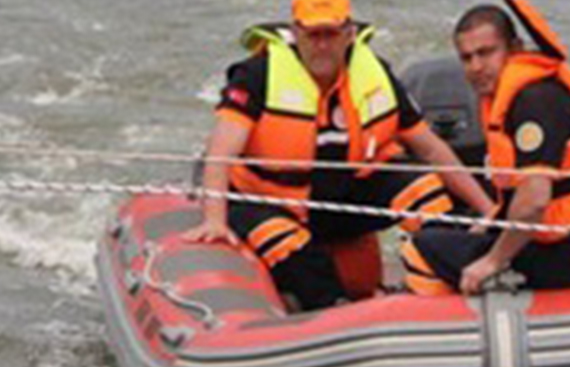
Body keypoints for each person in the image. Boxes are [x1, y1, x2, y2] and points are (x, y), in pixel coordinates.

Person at [183, 0, 496, 311]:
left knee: (426, 188)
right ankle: (335, 309)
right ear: (296, 33)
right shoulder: (257, 76)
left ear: (348, 34)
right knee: (278, 237)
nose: (321, 45)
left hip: (342, 196)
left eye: (330, 35)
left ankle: (439, 281)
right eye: (312, 35)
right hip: (270, 200)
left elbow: (431, 148)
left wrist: (487, 209)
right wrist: (214, 220)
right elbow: (220, 153)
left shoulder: (374, 75)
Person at [403, 0, 570, 297]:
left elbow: (535, 200)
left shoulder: (533, 102)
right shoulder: (518, 94)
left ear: (514, 48)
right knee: (459, 235)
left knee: (421, 247)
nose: (476, 67)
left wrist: (493, 261)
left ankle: (454, 332)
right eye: (467, 58)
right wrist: (491, 224)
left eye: (486, 53)